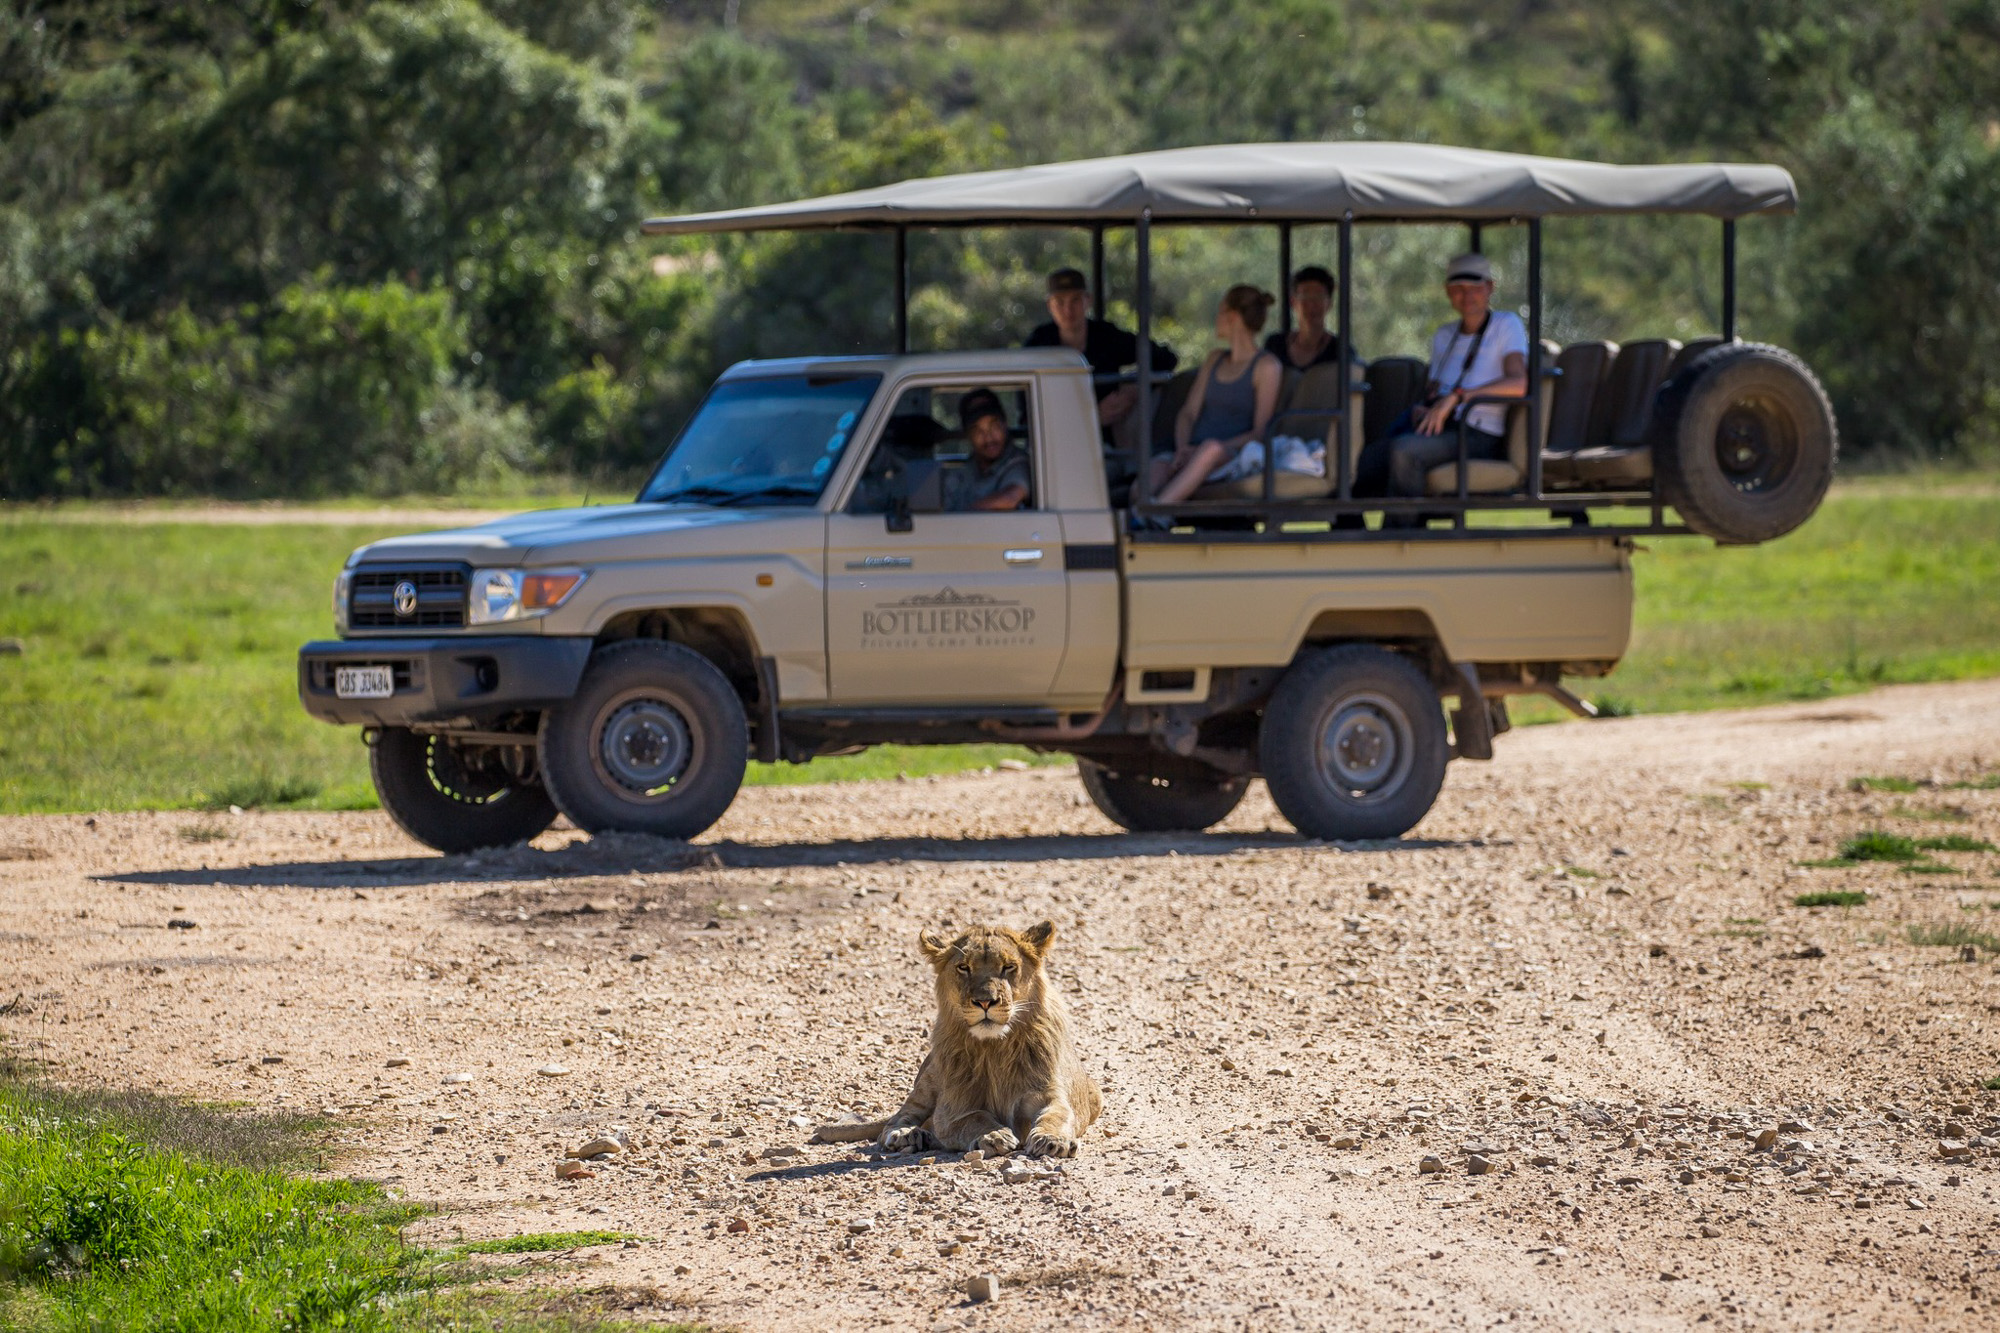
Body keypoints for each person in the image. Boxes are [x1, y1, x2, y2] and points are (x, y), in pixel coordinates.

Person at [1362, 252, 1528, 508]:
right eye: (1458, 288)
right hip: (1442, 428)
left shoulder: (1506, 325)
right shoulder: (1444, 335)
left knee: (1405, 452)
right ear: (1448, 292)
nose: (1467, 296)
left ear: (1490, 288)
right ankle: (1350, 532)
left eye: (1475, 287)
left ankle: (1402, 536)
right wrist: (1426, 407)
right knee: (1366, 460)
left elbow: (1519, 383)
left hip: (1478, 433)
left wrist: (1459, 396)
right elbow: (1435, 389)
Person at [1149, 286, 1284, 504]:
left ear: (1232, 317)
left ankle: (1159, 512)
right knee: (1147, 482)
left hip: (1228, 455)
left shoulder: (1266, 366)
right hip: (1190, 450)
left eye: (1220, 312)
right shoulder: (1215, 359)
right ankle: (1142, 517)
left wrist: (1201, 451)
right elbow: (1189, 412)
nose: (1216, 319)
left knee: (1211, 449)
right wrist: (1183, 449)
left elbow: (1259, 432)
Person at [1024, 268, 1178, 431]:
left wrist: (1133, 388)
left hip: (1108, 441)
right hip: (1056, 437)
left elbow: (1165, 358)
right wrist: (1091, 415)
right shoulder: (1037, 344)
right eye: (1060, 302)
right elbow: (1027, 413)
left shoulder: (1106, 336)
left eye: (1075, 300)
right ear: (1050, 305)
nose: (1068, 310)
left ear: (1087, 300)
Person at [944, 389, 1031, 511]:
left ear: (1005, 424)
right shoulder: (964, 472)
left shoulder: (1018, 463)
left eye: (994, 426)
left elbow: (1010, 498)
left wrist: (963, 516)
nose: (988, 437)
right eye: (978, 430)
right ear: (968, 435)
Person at [1263, 265, 1358, 372]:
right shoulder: (1275, 345)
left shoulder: (1341, 350)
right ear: (1293, 302)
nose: (1312, 305)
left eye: (1318, 297)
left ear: (1329, 303)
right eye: (1305, 296)